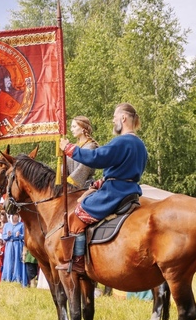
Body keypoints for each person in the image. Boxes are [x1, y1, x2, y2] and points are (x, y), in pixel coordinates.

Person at [57, 103, 147, 273]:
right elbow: (123, 170)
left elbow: (97, 157)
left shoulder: (122, 141)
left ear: (123, 118)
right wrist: (101, 181)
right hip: (131, 189)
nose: (113, 120)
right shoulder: (140, 144)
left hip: (115, 192)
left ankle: (78, 262)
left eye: (115, 116)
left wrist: (69, 148)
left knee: (76, 216)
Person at [65, 116, 98, 188]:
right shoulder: (73, 147)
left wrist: (68, 184)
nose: (71, 129)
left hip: (86, 187)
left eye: (74, 127)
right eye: (71, 127)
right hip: (70, 188)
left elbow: (83, 169)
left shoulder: (90, 146)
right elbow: (65, 169)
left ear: (83, 128)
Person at [1, 214, 27, 285]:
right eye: (14, 216)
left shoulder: (21, 225)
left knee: (17, 260)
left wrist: (20, 235)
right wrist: (8, 235)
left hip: (18, 245)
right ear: (11, 217)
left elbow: (25, 236)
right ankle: (8, 277)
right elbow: (3, 236)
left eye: (17, 216)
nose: (16, 217)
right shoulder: (6, 225)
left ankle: (18, 278)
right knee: (8, 260)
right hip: (9, 245)